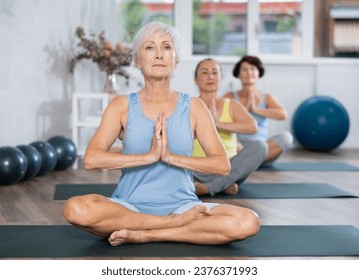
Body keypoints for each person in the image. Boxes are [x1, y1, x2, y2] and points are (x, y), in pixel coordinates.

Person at [63, 22, 260, 246]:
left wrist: (170, 157)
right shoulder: (121, 106)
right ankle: (171, 224)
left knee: (248, 221)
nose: (158, 54)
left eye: (166, 47)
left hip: (184, 206)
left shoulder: (194, 107)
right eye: (149, 48)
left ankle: (148, 233)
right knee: (75, 208)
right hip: (128, 206)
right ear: (138, 60)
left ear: (175, 60)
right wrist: (148, 156)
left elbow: (222, 165)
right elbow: (91, 159)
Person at [192, 58, 267, 196]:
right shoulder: (189, 105)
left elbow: (252, 127)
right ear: (196, 79)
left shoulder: (231, 105)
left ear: (220, 79)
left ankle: (209, 187)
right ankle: (222, 185)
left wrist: (218, 124)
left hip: (227, 169)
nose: (210, 76)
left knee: (260, 146)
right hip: (196, 170)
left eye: (215, 72)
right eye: (204, 72)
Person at [223, 55, 293, 165]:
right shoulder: (230, 96)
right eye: (244, 69)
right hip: (238, 146)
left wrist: (255, 109)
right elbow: (219, 121)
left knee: (286, 137)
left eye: (252, 69)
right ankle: (251, 162)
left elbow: (283, 114)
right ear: (238, 74)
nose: (249, 72)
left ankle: (249, 162)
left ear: (258, 73)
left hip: (262, 147)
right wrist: (243, 111)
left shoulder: (266, 97)